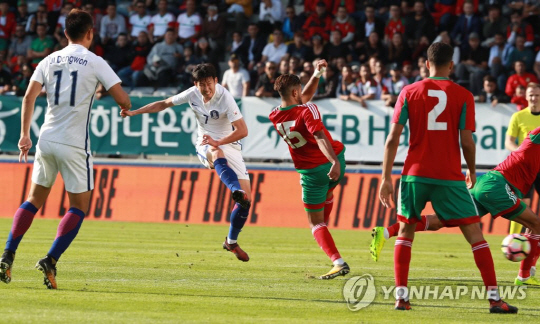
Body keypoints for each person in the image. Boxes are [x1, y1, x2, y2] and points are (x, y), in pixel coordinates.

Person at [378, 42, 516, 313]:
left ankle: (401, 298)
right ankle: (494, 299)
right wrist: (473, 169)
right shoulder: (462, 95)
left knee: (406, 231)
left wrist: (385, 177)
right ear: (451, 65)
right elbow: (467, 141)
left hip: (414, 174)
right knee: (475, 234)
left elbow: (393, 138)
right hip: (449, 177)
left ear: (426, 64)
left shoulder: (408, 91)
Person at [0, 9, 131, 289]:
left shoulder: (48, 59)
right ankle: (51, 259)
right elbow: (124, 99)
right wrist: (122, 105)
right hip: (73, 143)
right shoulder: (95, 61)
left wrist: (24, 135)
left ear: (65, 33)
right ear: (90, 33)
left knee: (33, 200)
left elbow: (28, 97)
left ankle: (7, 255)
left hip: (45, 138)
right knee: (79, 207)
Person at [372, 124, 540, 287]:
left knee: (438, 222)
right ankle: (523, 275)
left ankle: (387, 232)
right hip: (497, 186)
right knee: (535, 224)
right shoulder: (535, 138)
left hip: (485, 184)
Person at [121, 63, 252, 262]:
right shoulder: (192, 94)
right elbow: (163, 103)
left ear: (216, 81)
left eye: (209, 83)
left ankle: (231, 242)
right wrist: (134, 112)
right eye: (201, 84)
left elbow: (242, 130)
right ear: (195, 84)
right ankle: (235, 189)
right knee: (216, 153)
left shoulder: (225, 97)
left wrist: (220, 141)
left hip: (228, 144)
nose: (206, 89)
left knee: (247, 202)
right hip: (206, 143)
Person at [269, 59, 350, 280]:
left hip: (313, 172)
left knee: (315, 223)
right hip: (337, 163)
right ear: (296, 91)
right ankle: (326, 231)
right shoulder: (308, 109)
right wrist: (335, 162)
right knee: (329, 194)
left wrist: (316, 74)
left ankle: (338, 262)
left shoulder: (275, 115)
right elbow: (319, 134)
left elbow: (304, 106)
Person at [505, 83, 540, 234]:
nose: (534, 98)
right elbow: (509, 141)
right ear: (526, 97)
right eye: (531, 95)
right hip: (524, 168)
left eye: (537, 95)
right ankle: (513, 239)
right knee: (522, 205)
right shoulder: (518, 116)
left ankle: (532, 241)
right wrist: (520, 152)